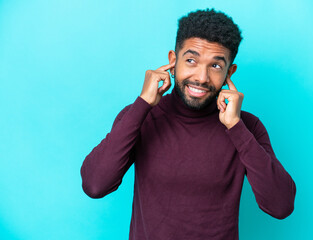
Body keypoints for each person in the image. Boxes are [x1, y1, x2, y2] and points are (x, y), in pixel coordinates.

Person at [80, 8, 296, 240]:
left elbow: (280, 205)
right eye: (191, 60)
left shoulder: (246, 127)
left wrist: (235, 127)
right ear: (173, 61)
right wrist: (142, 104)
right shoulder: (141, 116)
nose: (201, 77)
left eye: (215, 66)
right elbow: (95, 184)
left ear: (229, 73)